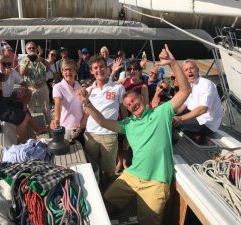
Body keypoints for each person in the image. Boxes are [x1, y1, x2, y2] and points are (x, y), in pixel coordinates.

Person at [76, 44, 191, 225]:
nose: (132, 105)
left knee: (147, 221)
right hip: (132, 175)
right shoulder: (128, 124)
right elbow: (103, 122)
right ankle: (119, 207)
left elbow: (185, 91)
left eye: (134, 101)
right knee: (104, 203)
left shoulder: (161, 113)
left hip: (156, 182)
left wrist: (173, 63)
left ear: (141, 99)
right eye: (128, 105)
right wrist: (87, 104)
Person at [84, 55, 126, 186]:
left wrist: (127, 134)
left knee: (109, 172)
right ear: (91, 71)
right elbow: (86, 113)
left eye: (101, 66)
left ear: (107, 68)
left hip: (109, 136)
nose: (99, 70)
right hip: (90, 135)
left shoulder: (118, 88)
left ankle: (108, 197)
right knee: (93, 170)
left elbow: (124, 112)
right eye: (95, 68)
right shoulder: (88, 91)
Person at [173, 59, 223, 136]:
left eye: (192, 68)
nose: (189, 71)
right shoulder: (189, 86)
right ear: (184, 74)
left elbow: (203, 109)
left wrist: (180, 118)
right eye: (186, 70)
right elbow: (182, 107)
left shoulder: (206, 84)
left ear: (197, 70)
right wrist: (170, 112)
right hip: (196, 117)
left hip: (207, 123)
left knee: (171, 123)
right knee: (167, 119)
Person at [50, 60, 85, 146]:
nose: (68, 72)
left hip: (80, 127)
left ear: (75, 72)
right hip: (68, 130)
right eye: (65, 70)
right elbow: (57, 104)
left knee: (82, 152)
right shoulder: (58, 87)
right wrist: (56, 120)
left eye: (71, 69)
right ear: (62, 72)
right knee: (70, 152)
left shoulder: (77, 84)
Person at [20, 41, 51, 124]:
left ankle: (50, 126)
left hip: (42, 87)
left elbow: (48, 67)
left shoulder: (41, 59)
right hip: (30, 88)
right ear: (26, 50)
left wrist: (41, 60)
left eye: (33, 48)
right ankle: (32, 128)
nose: (31, 49)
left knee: (46, 109)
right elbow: (21, 74)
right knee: (29, 109)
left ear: (36, 49)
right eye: (29, 48)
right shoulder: (23, 60)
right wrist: (27, 62)